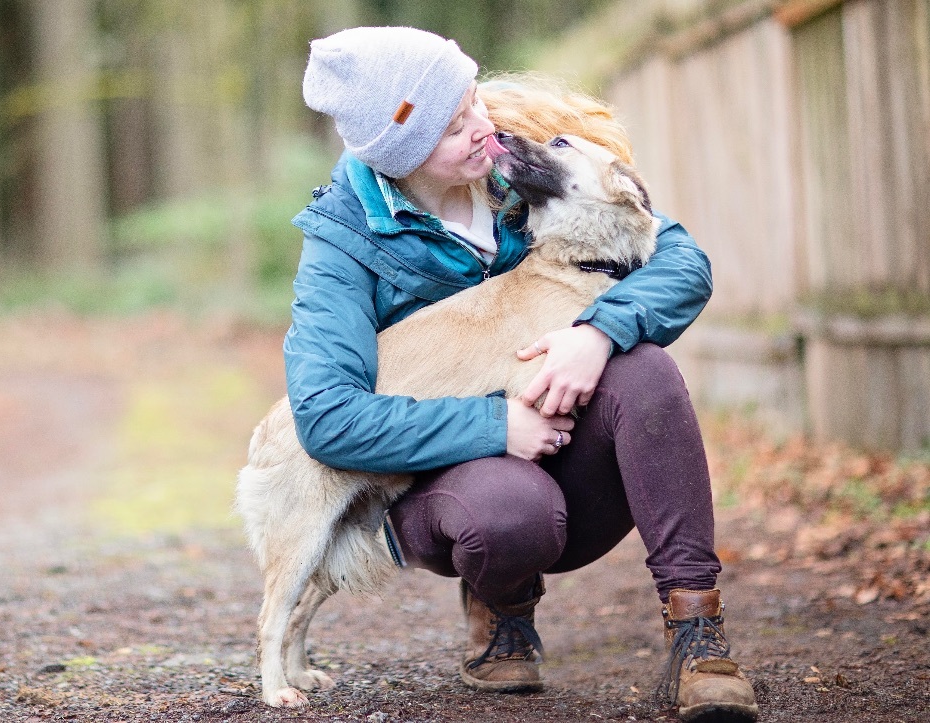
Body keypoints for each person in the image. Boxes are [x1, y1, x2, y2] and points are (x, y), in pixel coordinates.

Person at [286, 25, 759, 723]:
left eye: (474, 101)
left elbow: (680, 259)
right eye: (454, 127)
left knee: (646, 370)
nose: (484, 127)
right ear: (404, 156)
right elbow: (328, 416)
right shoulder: (344, 242)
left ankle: (698, 633)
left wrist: (597, 333)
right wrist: (495, 424)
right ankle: (501, 604)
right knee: (508, 510)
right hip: (451, 484)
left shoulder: (517, 157)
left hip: (569, 448)